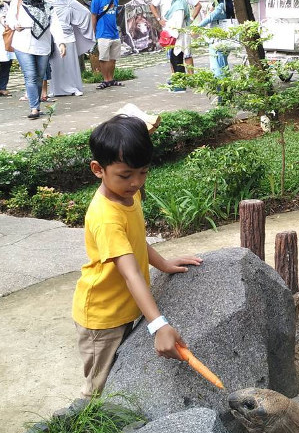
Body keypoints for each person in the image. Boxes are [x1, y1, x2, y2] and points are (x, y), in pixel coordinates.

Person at [72, 114, 202, 397]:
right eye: (126, 175)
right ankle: (87, 430)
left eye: (143, 172)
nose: (136, 182)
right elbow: (129, 271)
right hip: (102, 316)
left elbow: (135, 242)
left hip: (124, 307)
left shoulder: (129, 194)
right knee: (99, 386)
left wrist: (163, 263)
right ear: (98, 169)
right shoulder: (106, 217)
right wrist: (159, 325)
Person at [6, 0, 65, 119]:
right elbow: (10, 17)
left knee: (39, 77)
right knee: (31, 75)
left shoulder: (47, 6)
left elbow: (55, 25)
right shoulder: (18, 0)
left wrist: (61, 42)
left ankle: (36, 105)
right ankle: (34, 108)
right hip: (23, 43)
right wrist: (15, 25)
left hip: (42, 46)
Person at [45, 0, 95, 97]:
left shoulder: (71, 2)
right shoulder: (48, 1)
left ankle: (74, 87)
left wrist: (76, 25)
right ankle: (55, 90)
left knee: (70, 64)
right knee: (55, 65)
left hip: (68, 36)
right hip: (54, 37)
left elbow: (86, 13)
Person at [150, 0, 202, 74]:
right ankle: (176, 77)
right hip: (168, 30)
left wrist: (191, 19)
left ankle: (191, 77)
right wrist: (159, 19)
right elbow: (152, 5)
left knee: (186, 53)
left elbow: (197, 5)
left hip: (180, 30)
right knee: (172, 55)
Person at [196, 0, 236, 80]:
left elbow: (210, 18)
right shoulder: (225, 5)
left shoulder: (221, 6)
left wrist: (196, 28)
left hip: (218, 41)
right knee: (223, 65)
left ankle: (222, 92)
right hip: (224, 40)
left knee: (218, 67)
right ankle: (226, 91)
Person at [90, 0, 123, 90]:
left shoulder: (116, 0)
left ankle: (111, 79)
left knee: (113, 58)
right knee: (103, 58)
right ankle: (105, 79)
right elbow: (93, 16)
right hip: (103, 33)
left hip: (114, 33)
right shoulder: (97, 0)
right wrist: (95, 32)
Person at [162, 0, 191, 93]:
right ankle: (178, 82)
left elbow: (178, 24)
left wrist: (171, 35)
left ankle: (180, 85)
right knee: (174, 59)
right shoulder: (177, 3)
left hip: (177, 37)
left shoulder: (179, 5)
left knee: (177, 60)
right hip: (175, 37)